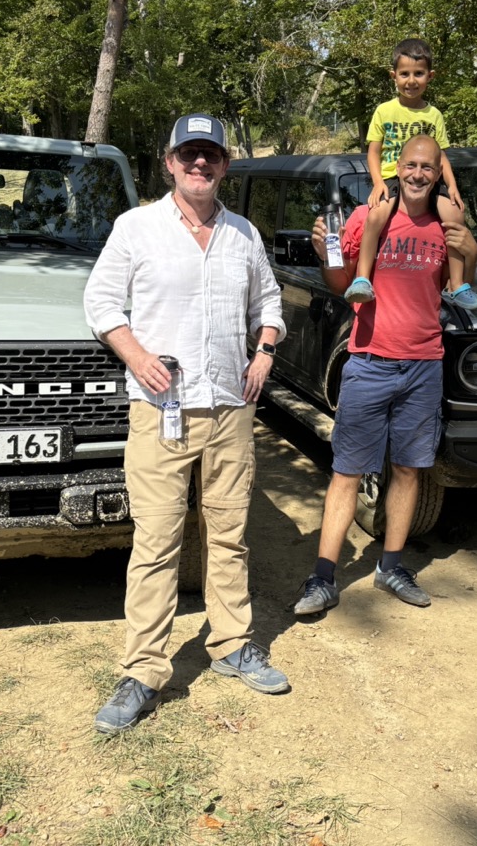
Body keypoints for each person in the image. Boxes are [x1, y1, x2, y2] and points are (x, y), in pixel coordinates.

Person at [83, 113, 290, 734]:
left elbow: (271, 303)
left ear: (224, 165)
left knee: (229, 534)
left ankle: (231, 643)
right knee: (156, 542)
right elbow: (99, 301)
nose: (201, 165)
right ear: (169, 160)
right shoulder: (136, 228)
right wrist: (138, 355)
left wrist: (265, 353)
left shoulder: (242, 234)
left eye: (212, 156)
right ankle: (143, 670)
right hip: (160, 412)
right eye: (189, 155)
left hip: (229, 407)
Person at [292, 134, 477, 616]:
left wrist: (472, 252)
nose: (418, 174)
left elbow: (461, 288)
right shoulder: (368, 214)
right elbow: (342, 283)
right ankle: (323, 577)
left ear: (438, 173)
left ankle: (391, 566)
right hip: (370, 362)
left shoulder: (447, 220)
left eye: (428, 168)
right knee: (347, 471)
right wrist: (324, 251)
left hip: (424, 364)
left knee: (409, 469)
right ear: (399, 166)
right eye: (411, 165)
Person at [344, 37, 477, 311]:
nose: (411, 80)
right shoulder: (384, 111)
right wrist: (377, 183)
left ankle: (457, 285)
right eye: (405, 73)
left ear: (429, 76)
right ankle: (362, 278)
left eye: (418, 74)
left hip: (428, 181)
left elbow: (441, 156)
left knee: (455, 216)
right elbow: (373, 152)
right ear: (393, 76)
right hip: (393, 178)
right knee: (375, 216)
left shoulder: (434, 115)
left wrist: (452, 186)